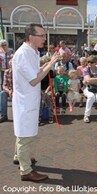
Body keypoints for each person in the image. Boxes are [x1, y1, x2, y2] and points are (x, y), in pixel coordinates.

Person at [12, 23, 60, 181]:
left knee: (23, 132)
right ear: (31, 37)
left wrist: (48, 63)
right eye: (41, 36)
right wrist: (51, 64)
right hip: (25, 101)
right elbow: (34, 79)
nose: (44, 39)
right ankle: (25, 171)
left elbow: (36, 71)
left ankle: (19, 156)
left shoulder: (32, 51)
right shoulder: (23, 54)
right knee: (24, 135)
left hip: (29, 99)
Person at [83, 55, 97, 123]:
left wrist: (90, 80)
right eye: (88, 62)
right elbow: (87, 80)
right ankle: (86, 115)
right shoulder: (86, 69)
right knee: (91, 96)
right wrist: (96, 79)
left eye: (91, 62)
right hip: (88, 88)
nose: (89, 63)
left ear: (95, 63)